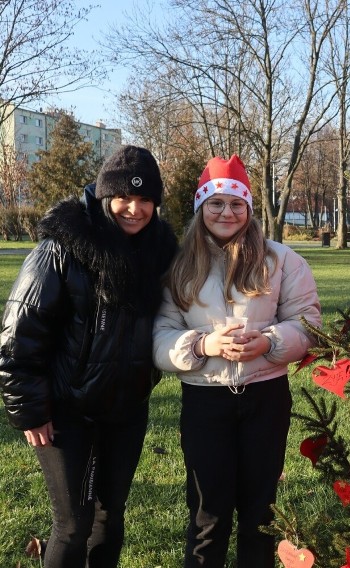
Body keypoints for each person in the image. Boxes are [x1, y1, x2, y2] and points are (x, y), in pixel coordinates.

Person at [0, 145, 177, 567]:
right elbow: (18, 336)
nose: (134, 209)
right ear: (103, 196)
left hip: (127, 410)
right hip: (66, 411)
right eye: (124, 198)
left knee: (109, 516)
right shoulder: (61, 248)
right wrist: (30, 410)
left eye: (145, 200)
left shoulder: (159, 254)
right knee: (73, 524)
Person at [153, 154, 321, 567]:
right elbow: (159, 335)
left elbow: (308, 323)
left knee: (259, 511)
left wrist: (268, 342)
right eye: (216, 203)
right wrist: (203, 345)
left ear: (248, 209)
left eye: (236, 204)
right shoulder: (178, 266)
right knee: (207, 512)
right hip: (205, 401)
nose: (226, 212)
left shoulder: (282, 260)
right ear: (200, 208)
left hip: (265, 396)